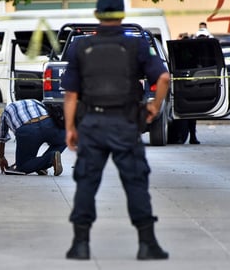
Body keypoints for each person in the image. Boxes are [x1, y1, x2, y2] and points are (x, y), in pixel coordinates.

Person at [61, 0, 170, 260]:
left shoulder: (80, 46)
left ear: (97, 14)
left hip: (92, 124)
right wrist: (155, 106)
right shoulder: (137, 44)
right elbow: (164, 78)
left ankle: (80, 244)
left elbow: (71, 94)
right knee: (135, 182)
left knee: (86, 182)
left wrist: (69, 129)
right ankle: (147, 244)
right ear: (122, 15)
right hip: (126, 125)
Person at [0, 99, 66, 176]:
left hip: (27, 130)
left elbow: (0, 138)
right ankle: (42, 165)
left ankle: (49, 158)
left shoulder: (6, 111)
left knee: (22, 166)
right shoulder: (35, 101)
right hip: (48, 123)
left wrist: (1, 157)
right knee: (64, 140)